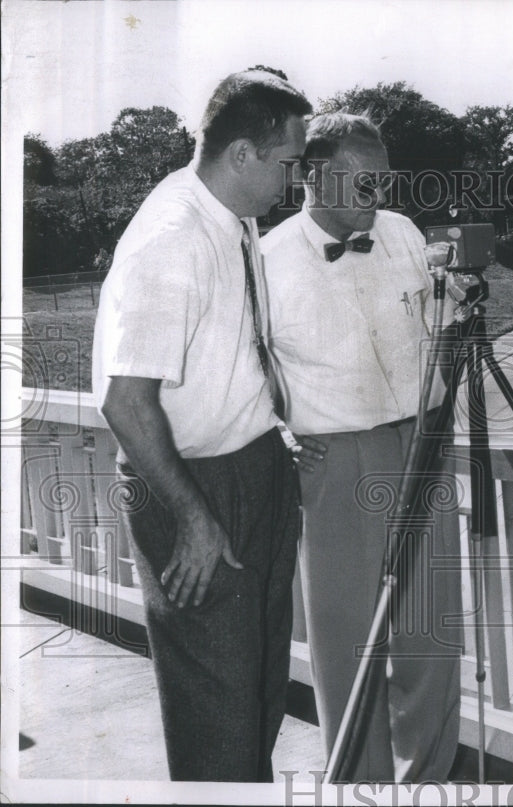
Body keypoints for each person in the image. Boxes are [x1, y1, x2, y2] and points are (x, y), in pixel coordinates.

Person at [92, 69, 319, 782]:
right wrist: (193, 517)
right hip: (195, 488)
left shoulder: (234, 216)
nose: (293, 181)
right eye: (288, 163)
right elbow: (125, 401)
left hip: (253, 466)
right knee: (217, 718)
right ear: (243, 154)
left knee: (256, 696)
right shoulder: (172, 238)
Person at [261, 112, 462, 782]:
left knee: (430, 645)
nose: (379, 194)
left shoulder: (402, 232)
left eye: (385, 179)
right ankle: (359, 791)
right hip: (334, 462)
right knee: (349, 650)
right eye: (365, 182)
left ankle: (427, 784)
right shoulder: (265, 262)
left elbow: (437, 324)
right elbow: (235, 367)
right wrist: (276, 435)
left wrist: (455, 308)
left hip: (423, 445)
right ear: (315, 177)